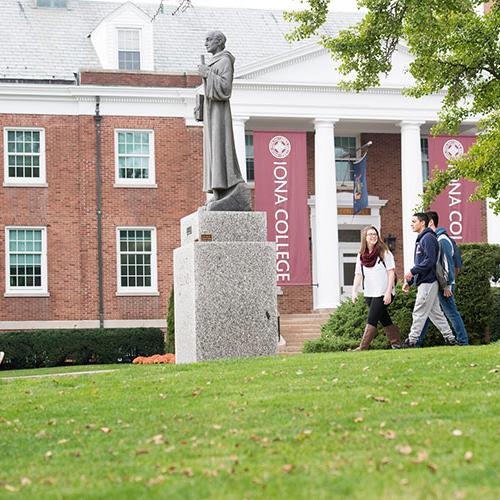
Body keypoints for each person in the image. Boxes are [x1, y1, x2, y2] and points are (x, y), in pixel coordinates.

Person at [198, 31, 250, 211]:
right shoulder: (215, 61)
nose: (205, 43)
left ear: (219, 42)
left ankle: (226, 188)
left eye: (208, 40)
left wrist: (208, 74)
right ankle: (217, 192)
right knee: (213, 149)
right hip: (211, 111)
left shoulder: (225, 60)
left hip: (220, 112)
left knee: (220, 146)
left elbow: (225, 89)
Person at [402, 213, 457, 347]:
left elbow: (430, 261)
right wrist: (410, 281)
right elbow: (423, 262)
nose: (411, 224)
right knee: (436, 314)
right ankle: (450, 339)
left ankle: (412, 341)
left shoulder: (427, 238)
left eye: (414, 221)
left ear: (422, 223)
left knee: (419, 311)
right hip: (426, 281)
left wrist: (412, 271)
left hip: (428, 282)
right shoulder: (423, 239)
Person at [416, 211, 469, 346]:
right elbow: (457, 263)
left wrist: (447, 285)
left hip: (443, 284)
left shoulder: (442, 239)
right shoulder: (437, 238)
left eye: (423, 222)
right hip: (437, 282)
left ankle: (462, 341)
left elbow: (446, 264)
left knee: (451, 312)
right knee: (427, 312)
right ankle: (417, 341)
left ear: (430, 222)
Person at [351, 225, 401, 350]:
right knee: (384, 318)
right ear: (365, 238)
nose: (373, 236)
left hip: (383, 292)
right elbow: (358, 274)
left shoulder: (384, 252)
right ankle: (396, 343)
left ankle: (363, 346)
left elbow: (391, 272)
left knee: (372, 318)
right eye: (370, 234)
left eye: (375, 234)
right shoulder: (361, 255)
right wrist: (354, 291)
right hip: (369, 293)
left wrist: (389, 292)